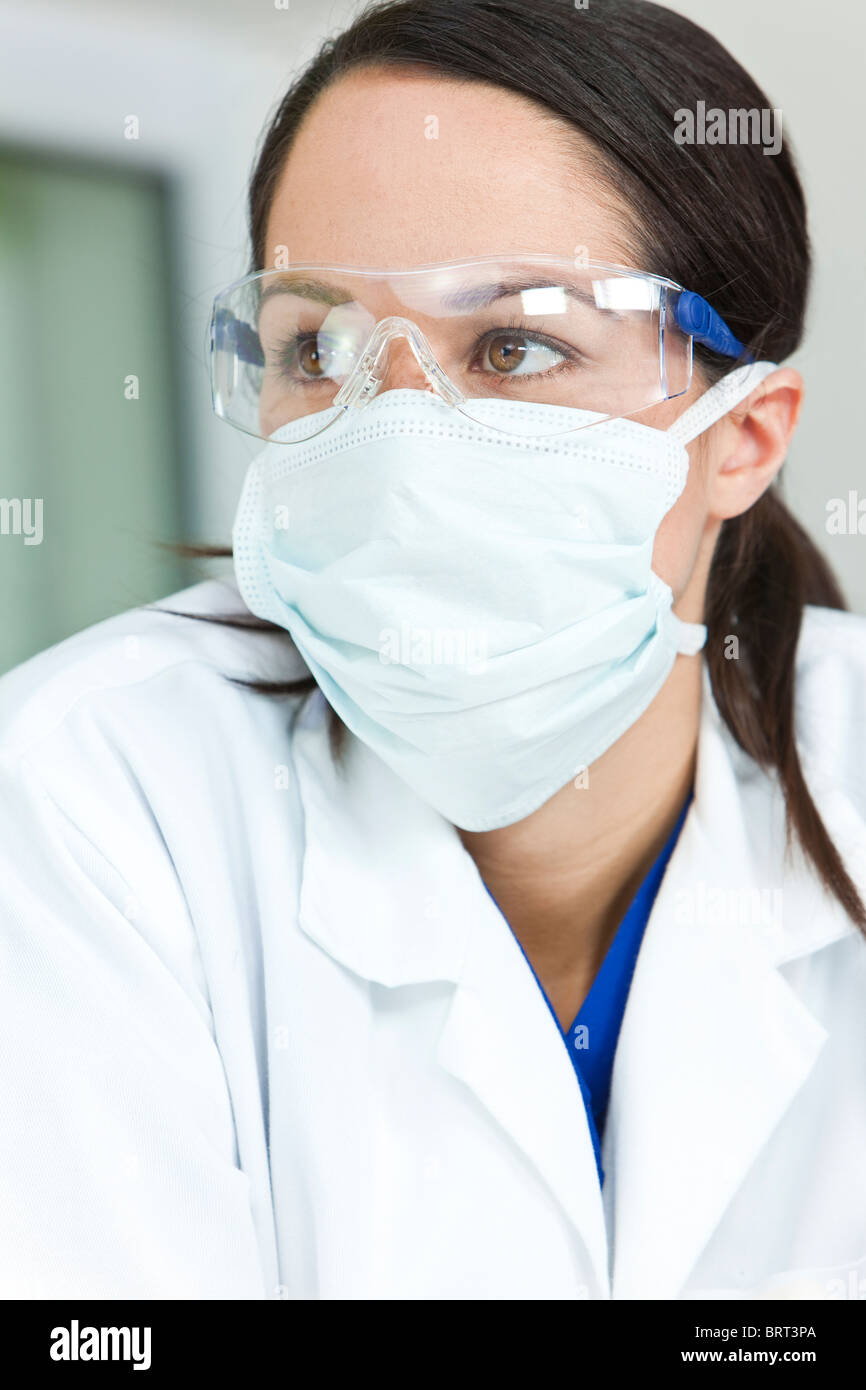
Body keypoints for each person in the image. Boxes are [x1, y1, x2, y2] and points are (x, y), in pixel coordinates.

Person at [1, 0, 865, 1301]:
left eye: (514, 345)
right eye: (317, 347)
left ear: (741, 435)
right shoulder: (93, 797)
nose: (394, 447)